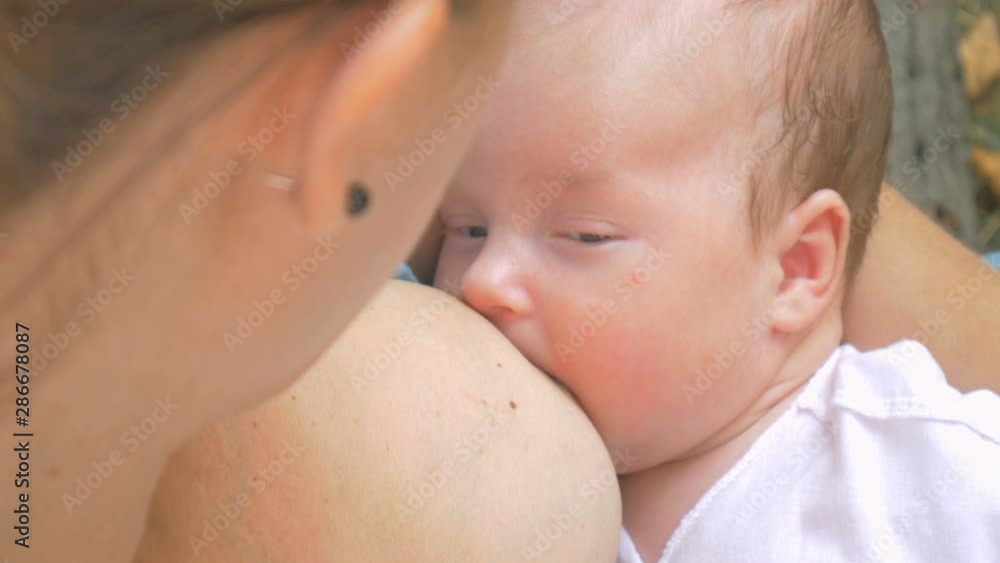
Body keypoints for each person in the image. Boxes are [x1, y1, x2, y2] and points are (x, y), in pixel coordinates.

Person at [428, 0, 1000, 561]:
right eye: (467, 228)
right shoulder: (467, 488)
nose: (481, 280)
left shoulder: (921, 469)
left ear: (796, 268)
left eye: (586, 236)